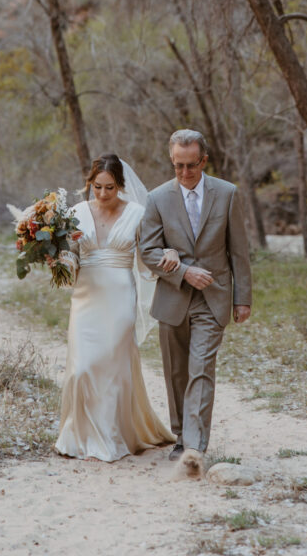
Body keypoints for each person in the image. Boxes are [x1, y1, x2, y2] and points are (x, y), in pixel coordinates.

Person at [139, 129, 252, 461]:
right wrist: (184, 271)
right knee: (176, 371)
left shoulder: (228, 194)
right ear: (172, 161)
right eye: (178, 166)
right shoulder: (157, 198)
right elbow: (147, 251)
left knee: (201, 368)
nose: (185, 173)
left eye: (191, 165)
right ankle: (179, 435)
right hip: (173, 298)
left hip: (213, 299)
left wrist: (242, 297)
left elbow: (239, 252)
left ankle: (194, 447)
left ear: (204, 160)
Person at [55, 153, 176, 461]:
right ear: (89, 184)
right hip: (86, 295)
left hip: (121, 295)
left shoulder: (137, 212)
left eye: (110, 187)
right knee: (81, 369)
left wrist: (169, 254)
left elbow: (149, 258)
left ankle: (111, 438)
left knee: (112, 368)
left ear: (121, 185)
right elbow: (70, 257)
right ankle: (78, 436)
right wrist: (57, 260)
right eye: (97, 187)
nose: (103, 194)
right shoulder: (76, 212)